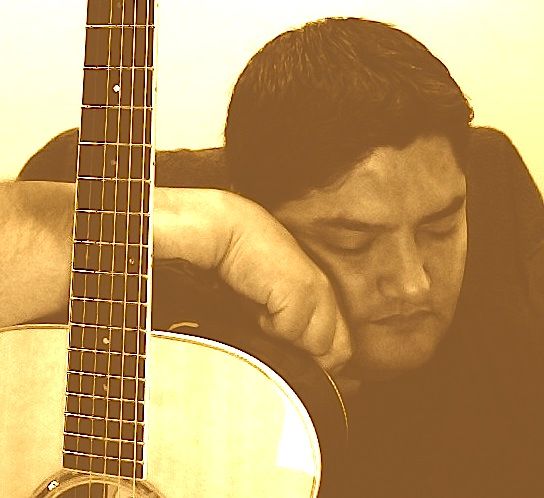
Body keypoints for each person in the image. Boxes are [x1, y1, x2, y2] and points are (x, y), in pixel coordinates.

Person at [2, 16, 544, 498]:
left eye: (440, 227)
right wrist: (220, 231)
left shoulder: (498, 195)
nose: (412, 284)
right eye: (352, 242)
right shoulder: (103, 207)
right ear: (254, 207)